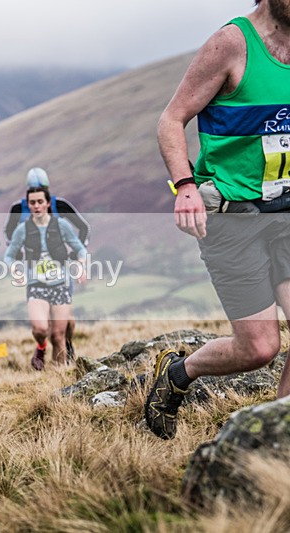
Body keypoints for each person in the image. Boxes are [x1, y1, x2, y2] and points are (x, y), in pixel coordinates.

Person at [146, 0, 290, 440]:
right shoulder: (232, 44)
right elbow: (171, 120)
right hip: (232, 216)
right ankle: (178, 372)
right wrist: (185, 186)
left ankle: (273, 442)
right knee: (259, 349)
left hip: (284, 210)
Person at [4, 167, 89, 360]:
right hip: (36, 275)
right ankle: (46, 346)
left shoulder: (60, 206)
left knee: (63, 325)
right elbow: (10, 237)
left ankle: (65, 346)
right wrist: (19, 264)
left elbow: (83, 229)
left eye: (40, 193)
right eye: (32, 200)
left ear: (47, 198)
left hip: (61, 272)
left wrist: (77, 258)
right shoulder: (18, 209)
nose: (36, 205)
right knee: (44, 325)